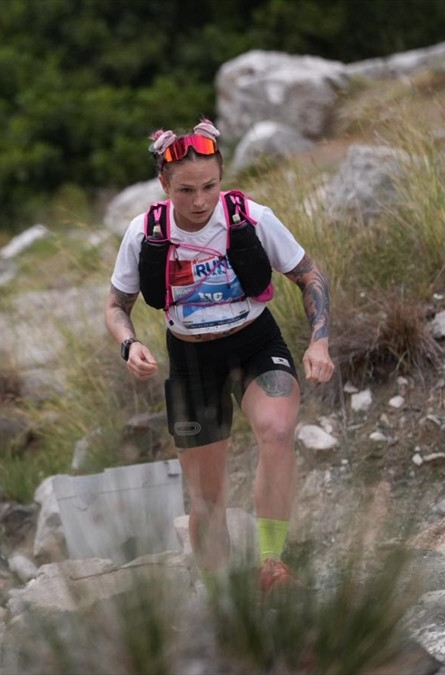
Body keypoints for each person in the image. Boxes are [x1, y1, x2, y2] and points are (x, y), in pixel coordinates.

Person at [105, 119, 334, 594]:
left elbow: (310, 277)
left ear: (222, 176)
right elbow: (116, 306)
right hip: (190, 361)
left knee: (276, 429)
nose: (200, 200)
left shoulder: (251, 216)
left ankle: (272, 563)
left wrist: (319, 341)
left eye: (210, 186)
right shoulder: (144, 232)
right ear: (164, 184)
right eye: (186, 190)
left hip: (255, 343)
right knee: (206, 497)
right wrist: (130, 344)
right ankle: (222, 599)